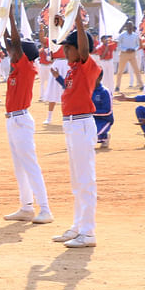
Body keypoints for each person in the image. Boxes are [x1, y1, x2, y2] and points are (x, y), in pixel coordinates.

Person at [51, 17, 100, 248]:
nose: (65, 52)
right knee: (77, 181)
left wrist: (78, 23)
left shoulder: (87, 65)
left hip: (81, 124)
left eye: (68, 48)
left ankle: (88, 233)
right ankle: (79, 226)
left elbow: (83, 47)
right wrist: (67, 25)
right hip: (72, 124)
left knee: (85, 180)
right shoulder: (72, 70)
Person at [0, 17, 52, 224]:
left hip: (21, 120)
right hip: (13, 120)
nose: (9, 51)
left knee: (30, 165)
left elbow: (15, 43)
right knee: (19, 166)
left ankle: (45, 208)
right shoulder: (18, 68)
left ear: (22, 54)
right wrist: (1, 20)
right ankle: (26, 206)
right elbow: (9, 42)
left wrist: (10, 17)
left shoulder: (27, 67)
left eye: (13, 50)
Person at [114, 21, 142, 91]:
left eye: (131, 26)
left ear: (132, 27)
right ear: (126, 27)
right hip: (124, 54)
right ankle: (117, 86)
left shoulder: (135, 35)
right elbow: (118, 45)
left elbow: (138, 45)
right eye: (128, 26)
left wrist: (134, 49)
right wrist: (125, 49)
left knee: (137, 70)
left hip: (132, 54)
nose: (129, 27)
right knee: (120, 71)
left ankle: (141, 85)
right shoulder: (122, 35)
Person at [92, 74, 112, 148]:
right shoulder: (87, 89)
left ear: (100, 78)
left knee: (90, 136)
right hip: (90, 118)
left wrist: (91, 112)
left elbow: (108, 111)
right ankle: (103, 137)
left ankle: (105, 136)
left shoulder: (105, 91)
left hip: (104, 120)